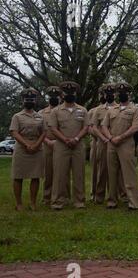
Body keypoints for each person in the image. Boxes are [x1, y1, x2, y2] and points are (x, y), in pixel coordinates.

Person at [101, 82, 138, 210]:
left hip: (126, 144)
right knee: (112, 174)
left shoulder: (135, 109)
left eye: (124, 92)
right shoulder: (112, 110)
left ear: (129, 94)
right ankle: (112, 201)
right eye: (120, 92)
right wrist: (110, 138)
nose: (122, 94)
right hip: (112, 144)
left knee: (129, 174)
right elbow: (104, 126)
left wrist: (120, 137)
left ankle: (133, 202)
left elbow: (135, 127)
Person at [49, 81, 89, 210]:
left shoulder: (82, 110)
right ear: (62, 94)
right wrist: (65, 140)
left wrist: (76, 138)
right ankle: (58, 201)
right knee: (60, 174)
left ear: (75, 93)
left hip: (78, 146)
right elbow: (54, 128)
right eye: (67, 92)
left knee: (79, 174)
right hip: (61, 146)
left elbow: (86, 127)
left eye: (72, 92)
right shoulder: (56, 111)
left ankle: (79, 201)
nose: (70, 94)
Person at [10, 88, 45, 211]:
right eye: (27, 99)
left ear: (35, 101)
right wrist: (27, 144)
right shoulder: (17, 116)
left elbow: (44, 133)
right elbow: (14, 133)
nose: (29, 101)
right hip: (21, 148)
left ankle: (32, 203)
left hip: (37, 149)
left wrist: (36, 145)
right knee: (18, 176)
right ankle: (19, 203)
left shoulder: (40, 116)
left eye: (32, 99)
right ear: (23, 101)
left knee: (35, 176)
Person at [39, 86, 62, 205]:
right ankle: (47, 197)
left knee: (62, 172)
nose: (54, 98)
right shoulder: (41, 113)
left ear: (60, 97)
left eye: (56, 96)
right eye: (52, 96)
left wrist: (59, 141)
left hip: (62, 144)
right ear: (48, 98)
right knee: (48, 172)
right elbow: (38, 131)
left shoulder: (63, 111)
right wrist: (47, 141)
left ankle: (64, 196)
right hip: (46, 144)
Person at [88, 90, 103, 201]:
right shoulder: (93, 111)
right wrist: (100, 136)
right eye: (101, 94)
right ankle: (94, 192)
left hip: (111, 142)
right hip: (96, 142)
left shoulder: (115, 109)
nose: (103, 96)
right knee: (95, 169)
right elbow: (89, 127)